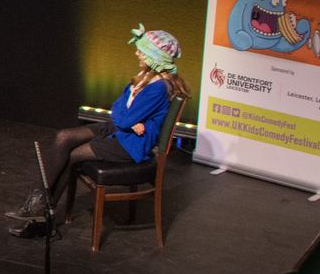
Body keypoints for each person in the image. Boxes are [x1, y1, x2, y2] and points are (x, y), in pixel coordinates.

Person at [10, 26, 189, 225]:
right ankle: (36, 203)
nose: (137, 53)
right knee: (63, 136)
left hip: (130, 144)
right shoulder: (145, 77)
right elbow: (118, 108)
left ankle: (43, 215)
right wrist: (128, 118)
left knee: (74, 155)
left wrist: (129, 119)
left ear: (155, 56)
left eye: (142, 50)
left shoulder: (159, 88)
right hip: (118, 129)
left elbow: (125, 118)